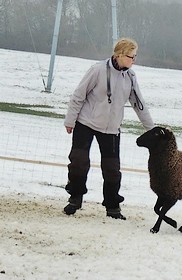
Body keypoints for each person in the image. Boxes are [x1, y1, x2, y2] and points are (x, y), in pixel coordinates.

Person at [63, 38, 154, 220]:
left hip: (111, 128)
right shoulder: (97, 70)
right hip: (86, 122)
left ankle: (112, 206)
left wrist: (151, 129)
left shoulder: (130, 76)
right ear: (119, 55)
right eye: (131, 56)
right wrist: (70, 120)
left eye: (135, 57)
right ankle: (75, 197)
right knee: (79, 161)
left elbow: (138, 103)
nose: (134, 60)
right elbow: (78, 95)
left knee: (112, 168)